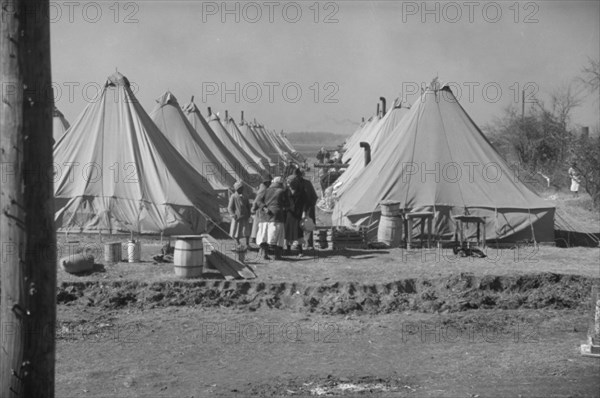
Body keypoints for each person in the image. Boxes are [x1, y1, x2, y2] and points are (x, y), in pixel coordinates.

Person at [255, 176, 288, 260]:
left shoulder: (265, 190)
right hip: (277, 216)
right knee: (277, 237)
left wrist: (264, 207)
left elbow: (258, 201)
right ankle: (277, 255)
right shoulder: (282, 191)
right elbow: (287, 204)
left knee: (264, 236)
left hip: (264, 216)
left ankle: (264, 254)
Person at [294, 168, 318, 249]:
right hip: (297, 210)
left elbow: (314, 197)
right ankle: (298, 244)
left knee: (308, 226)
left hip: (307, 209)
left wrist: (309, 207)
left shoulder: (307, 184)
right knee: (297, 226)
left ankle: (309, 244)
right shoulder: (293, 184)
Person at [284, 175, 307, 256]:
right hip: (289, 213)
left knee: (298, 231)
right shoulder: (286, 191)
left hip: (298, 213)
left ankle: (300, 251)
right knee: (288, 231)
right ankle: (288, 249)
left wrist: (304, 211)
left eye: (289, 182)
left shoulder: (301, 191)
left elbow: (305, 202)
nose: (288, 184)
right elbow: (284, 201)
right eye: (288, 182)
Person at [250, 175, 272, 246]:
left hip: (262, 209)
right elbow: (257, 200)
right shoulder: (263, 189)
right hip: (261, 210)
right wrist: (254, 208)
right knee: (259, 225)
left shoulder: (266, 188)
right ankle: (254, 238)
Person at [228, 181, 251, 247]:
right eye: (240, 188)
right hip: (237, 217)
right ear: (237, 189)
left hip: (245, 216)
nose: (242, 189)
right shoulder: (233, 196)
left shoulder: (245, 196)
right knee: (236, 231)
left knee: (246, 231)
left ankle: (247, 243)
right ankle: (237, 242)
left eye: (242, 188)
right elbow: (229, 207)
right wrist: (233, 214)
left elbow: (248, 206)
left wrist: (249, 214)